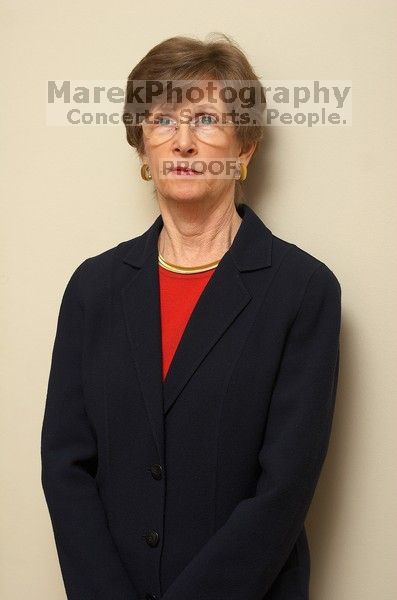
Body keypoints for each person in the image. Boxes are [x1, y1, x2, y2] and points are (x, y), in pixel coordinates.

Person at [41, 33, 342, 600]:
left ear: (245, 146)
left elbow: (284, 490)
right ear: (142, 148)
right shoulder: (93, 288)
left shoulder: (304, 290)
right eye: (161, 120)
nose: (182, 143)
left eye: (205, 118)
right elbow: (65, 467)